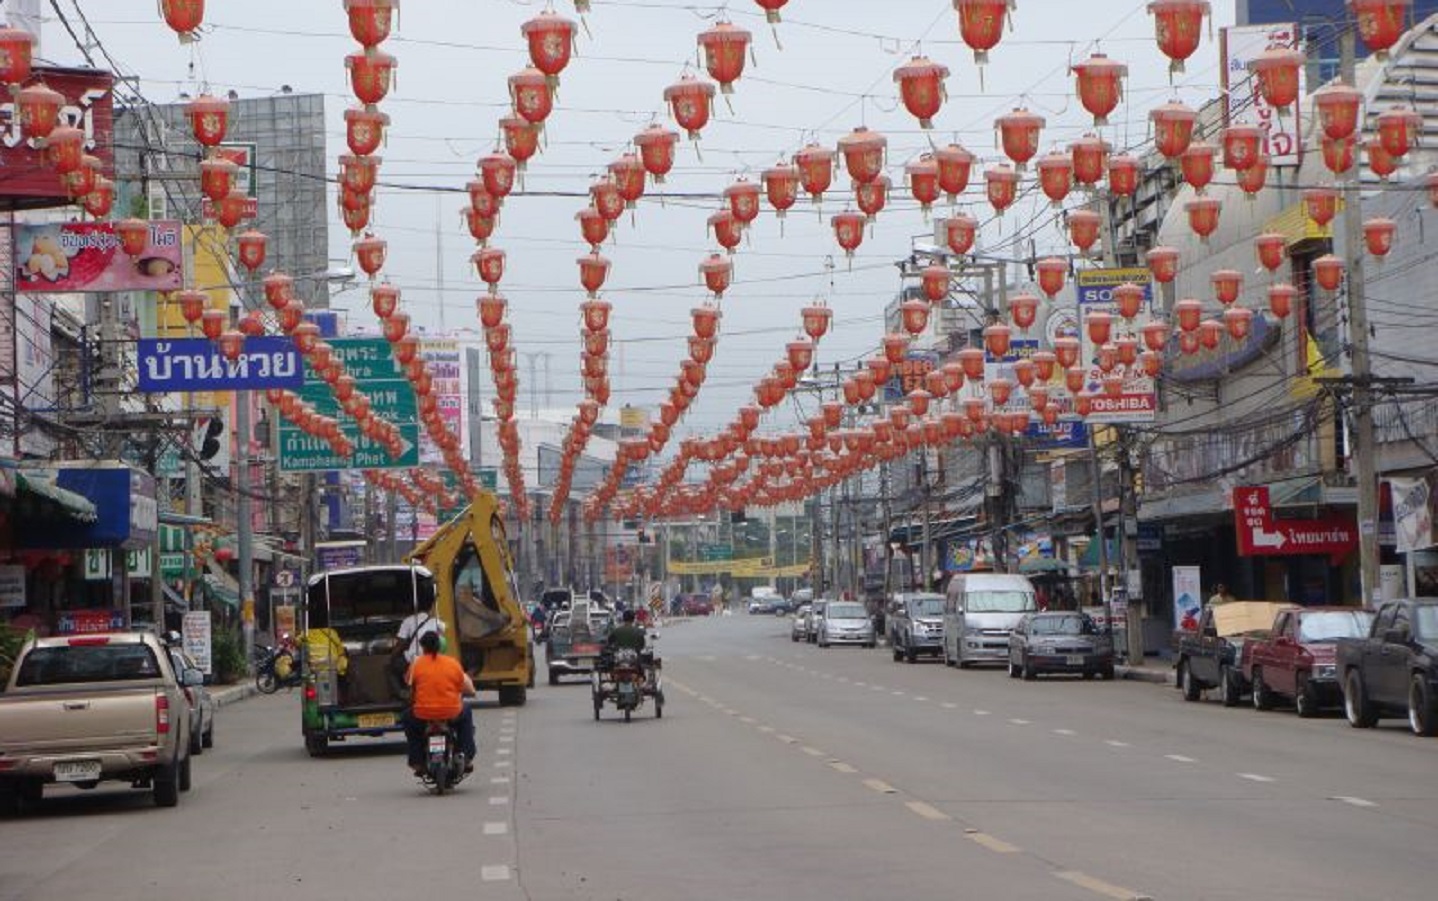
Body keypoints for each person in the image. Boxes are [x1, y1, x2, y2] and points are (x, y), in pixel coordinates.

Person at [403, 631, 477, 777]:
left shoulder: (416, 664)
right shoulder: (453, 663)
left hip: (423, 714)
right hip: (451, 712)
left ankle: (417, 761)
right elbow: (464, 687)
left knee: (407, 718)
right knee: (467, 712)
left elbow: (409, 684)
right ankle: (466, 756)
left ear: (423, 647)